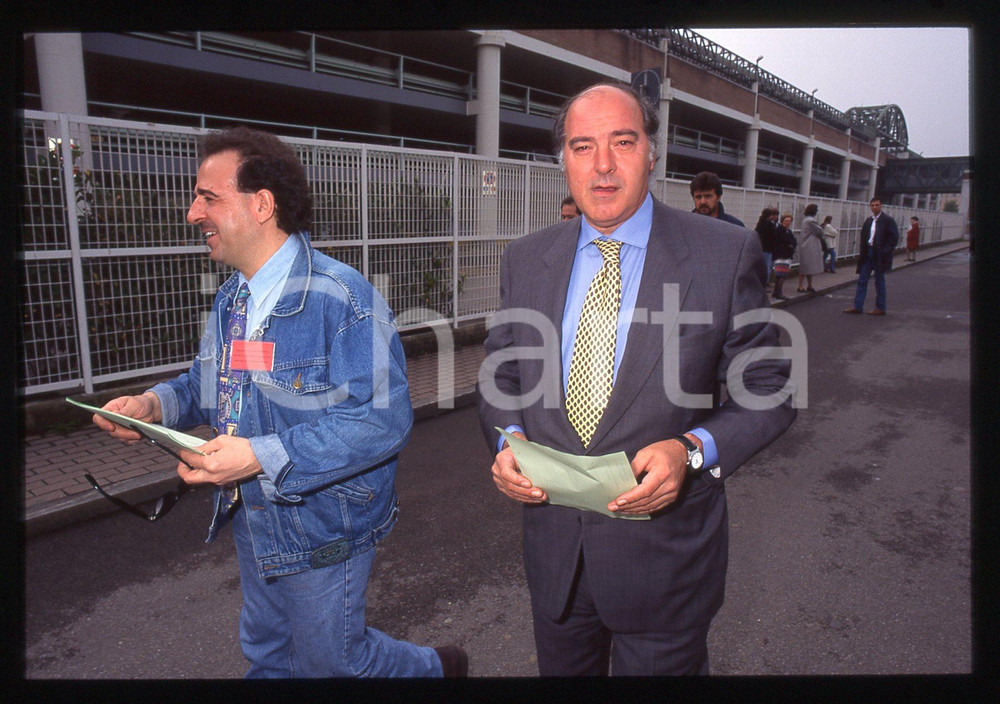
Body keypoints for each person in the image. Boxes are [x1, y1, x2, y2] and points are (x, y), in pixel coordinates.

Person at [91, 126, 467, 679]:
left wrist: (257, 456)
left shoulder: (343, 298)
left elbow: (381, 421)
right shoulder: (232, 299)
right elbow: (208, 381)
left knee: (333, 661)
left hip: (324, 522)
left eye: (208, 197)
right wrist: (153, 406)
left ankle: (435, 669)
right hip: (254, 513)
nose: (193, 214)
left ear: (262, 205)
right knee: (268, 655)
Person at [477, 82, 796, 676]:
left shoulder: (724, 252)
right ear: (563, 159)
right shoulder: (524, 258)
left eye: (622, 142)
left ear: (652, 152)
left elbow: (769, 389)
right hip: (557, 564)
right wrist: (508, 441)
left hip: (666, 570)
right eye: (582, 146)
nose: (602, 164)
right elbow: (502, 376)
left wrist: (691, 451)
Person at [844, 196, 899, 316]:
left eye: (877, 205)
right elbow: (864, 236)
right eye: (872, 205)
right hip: (867, 253)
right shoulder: (869, 221)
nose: (875, 207)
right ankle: (858, 306)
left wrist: (885, 251)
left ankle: (880, 307)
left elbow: (894, 238)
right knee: (862, 280)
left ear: (881, 206)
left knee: (879, 281)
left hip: (879, 254)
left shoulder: (888, 220)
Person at [796, 203, 824, 292]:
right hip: (809, 245)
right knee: (806, 266)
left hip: (806, 245)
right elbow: (820, 232)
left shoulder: (806, 220)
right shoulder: (811, 221)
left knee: (808, 266)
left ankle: (809, 285)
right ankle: (801, 286)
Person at [771, 213, 797, 301]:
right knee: (781, 275)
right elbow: (782, 241)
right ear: (782, 221)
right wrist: (789, 244)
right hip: (781, 255)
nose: (788, 223)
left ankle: (776, 292)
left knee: (780, 275)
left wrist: (791, 244)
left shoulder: (789, 231)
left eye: (789, 221)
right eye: (786, 221)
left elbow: (794, 241)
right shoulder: (779, 230)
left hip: (786, 255)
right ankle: (779, 293)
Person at [754, 207, 778, 284]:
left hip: (760, 247)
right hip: (768, 248)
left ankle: (759, 283)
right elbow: (774, 236)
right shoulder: (770, 224)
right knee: (767, 267)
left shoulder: (760, 224)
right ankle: (764, 283)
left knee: (760, 267)